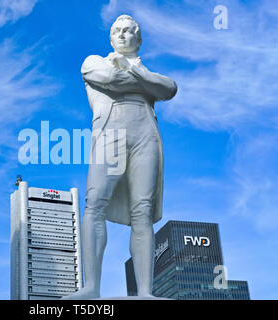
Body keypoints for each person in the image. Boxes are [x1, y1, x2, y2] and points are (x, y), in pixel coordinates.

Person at [63, 14, 177, 299]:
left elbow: (169, 88)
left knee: (143, 210)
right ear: (111, 38)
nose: (123, 35)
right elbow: (111, 79)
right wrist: (146, 84)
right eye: (118, 31)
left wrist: (136, 73)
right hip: (110, 134)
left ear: (138, 40)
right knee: (96, 203)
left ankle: (145, 292)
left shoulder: (145, 72)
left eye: (129, 31)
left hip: (145, 135)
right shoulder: (93, 61)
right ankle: (91, 288)